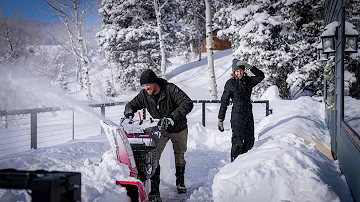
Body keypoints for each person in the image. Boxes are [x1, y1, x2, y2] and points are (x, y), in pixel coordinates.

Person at [124, 69, 193, 201]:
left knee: (179, 155)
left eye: (148, 84)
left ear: (154, 82)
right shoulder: (144, 94)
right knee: (153, 157)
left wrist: (172, 118)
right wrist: (129, 110)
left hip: (178, 128)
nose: (146, 87)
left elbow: (187, 103)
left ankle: (180, 182)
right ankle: (155, 192)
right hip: (160, 130)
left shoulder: (170, 89)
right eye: (144, 86)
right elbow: (132, 104)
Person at [218, 59, 265, 162]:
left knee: (250, 142)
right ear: (233, 72)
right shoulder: (230, 84)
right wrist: (220, 119)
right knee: (237, 143)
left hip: (248, 116)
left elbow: (261, 76)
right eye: (237, 71)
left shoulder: (248, 81)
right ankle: (234, 164)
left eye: (241, 71)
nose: (239, 73)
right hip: (237, 117)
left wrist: (249, 66)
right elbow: (224, 102)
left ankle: (243, 164)